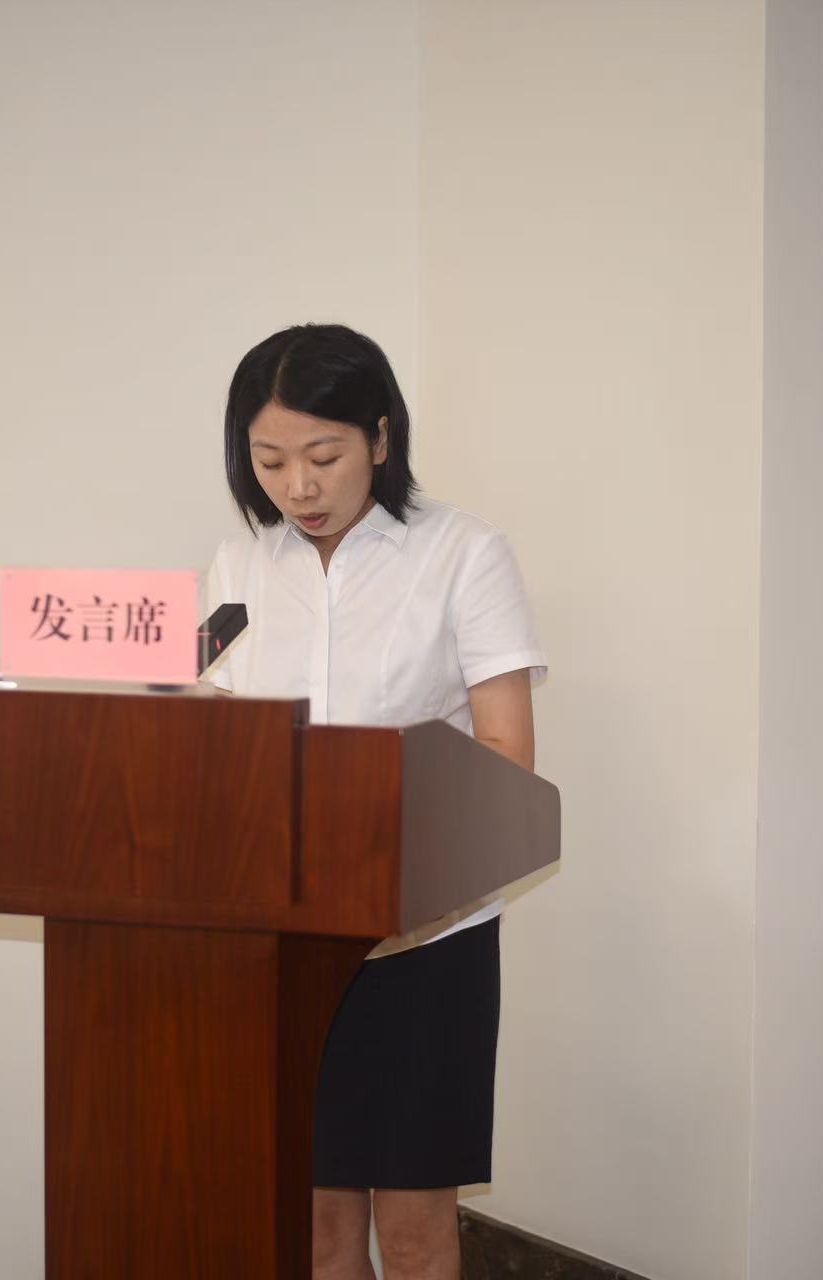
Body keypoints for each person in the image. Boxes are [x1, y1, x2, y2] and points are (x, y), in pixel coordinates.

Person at [203, 323, 547, 1280]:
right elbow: (213, 746)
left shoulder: (463, 554)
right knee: (315, 1225)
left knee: (413, 1228)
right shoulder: (238, 568)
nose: (297, 487)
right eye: (269, 461)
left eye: (324, 457)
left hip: (421, 937)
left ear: (381, 438)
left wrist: (403, 887)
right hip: (287, 942)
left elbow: (505, 757)